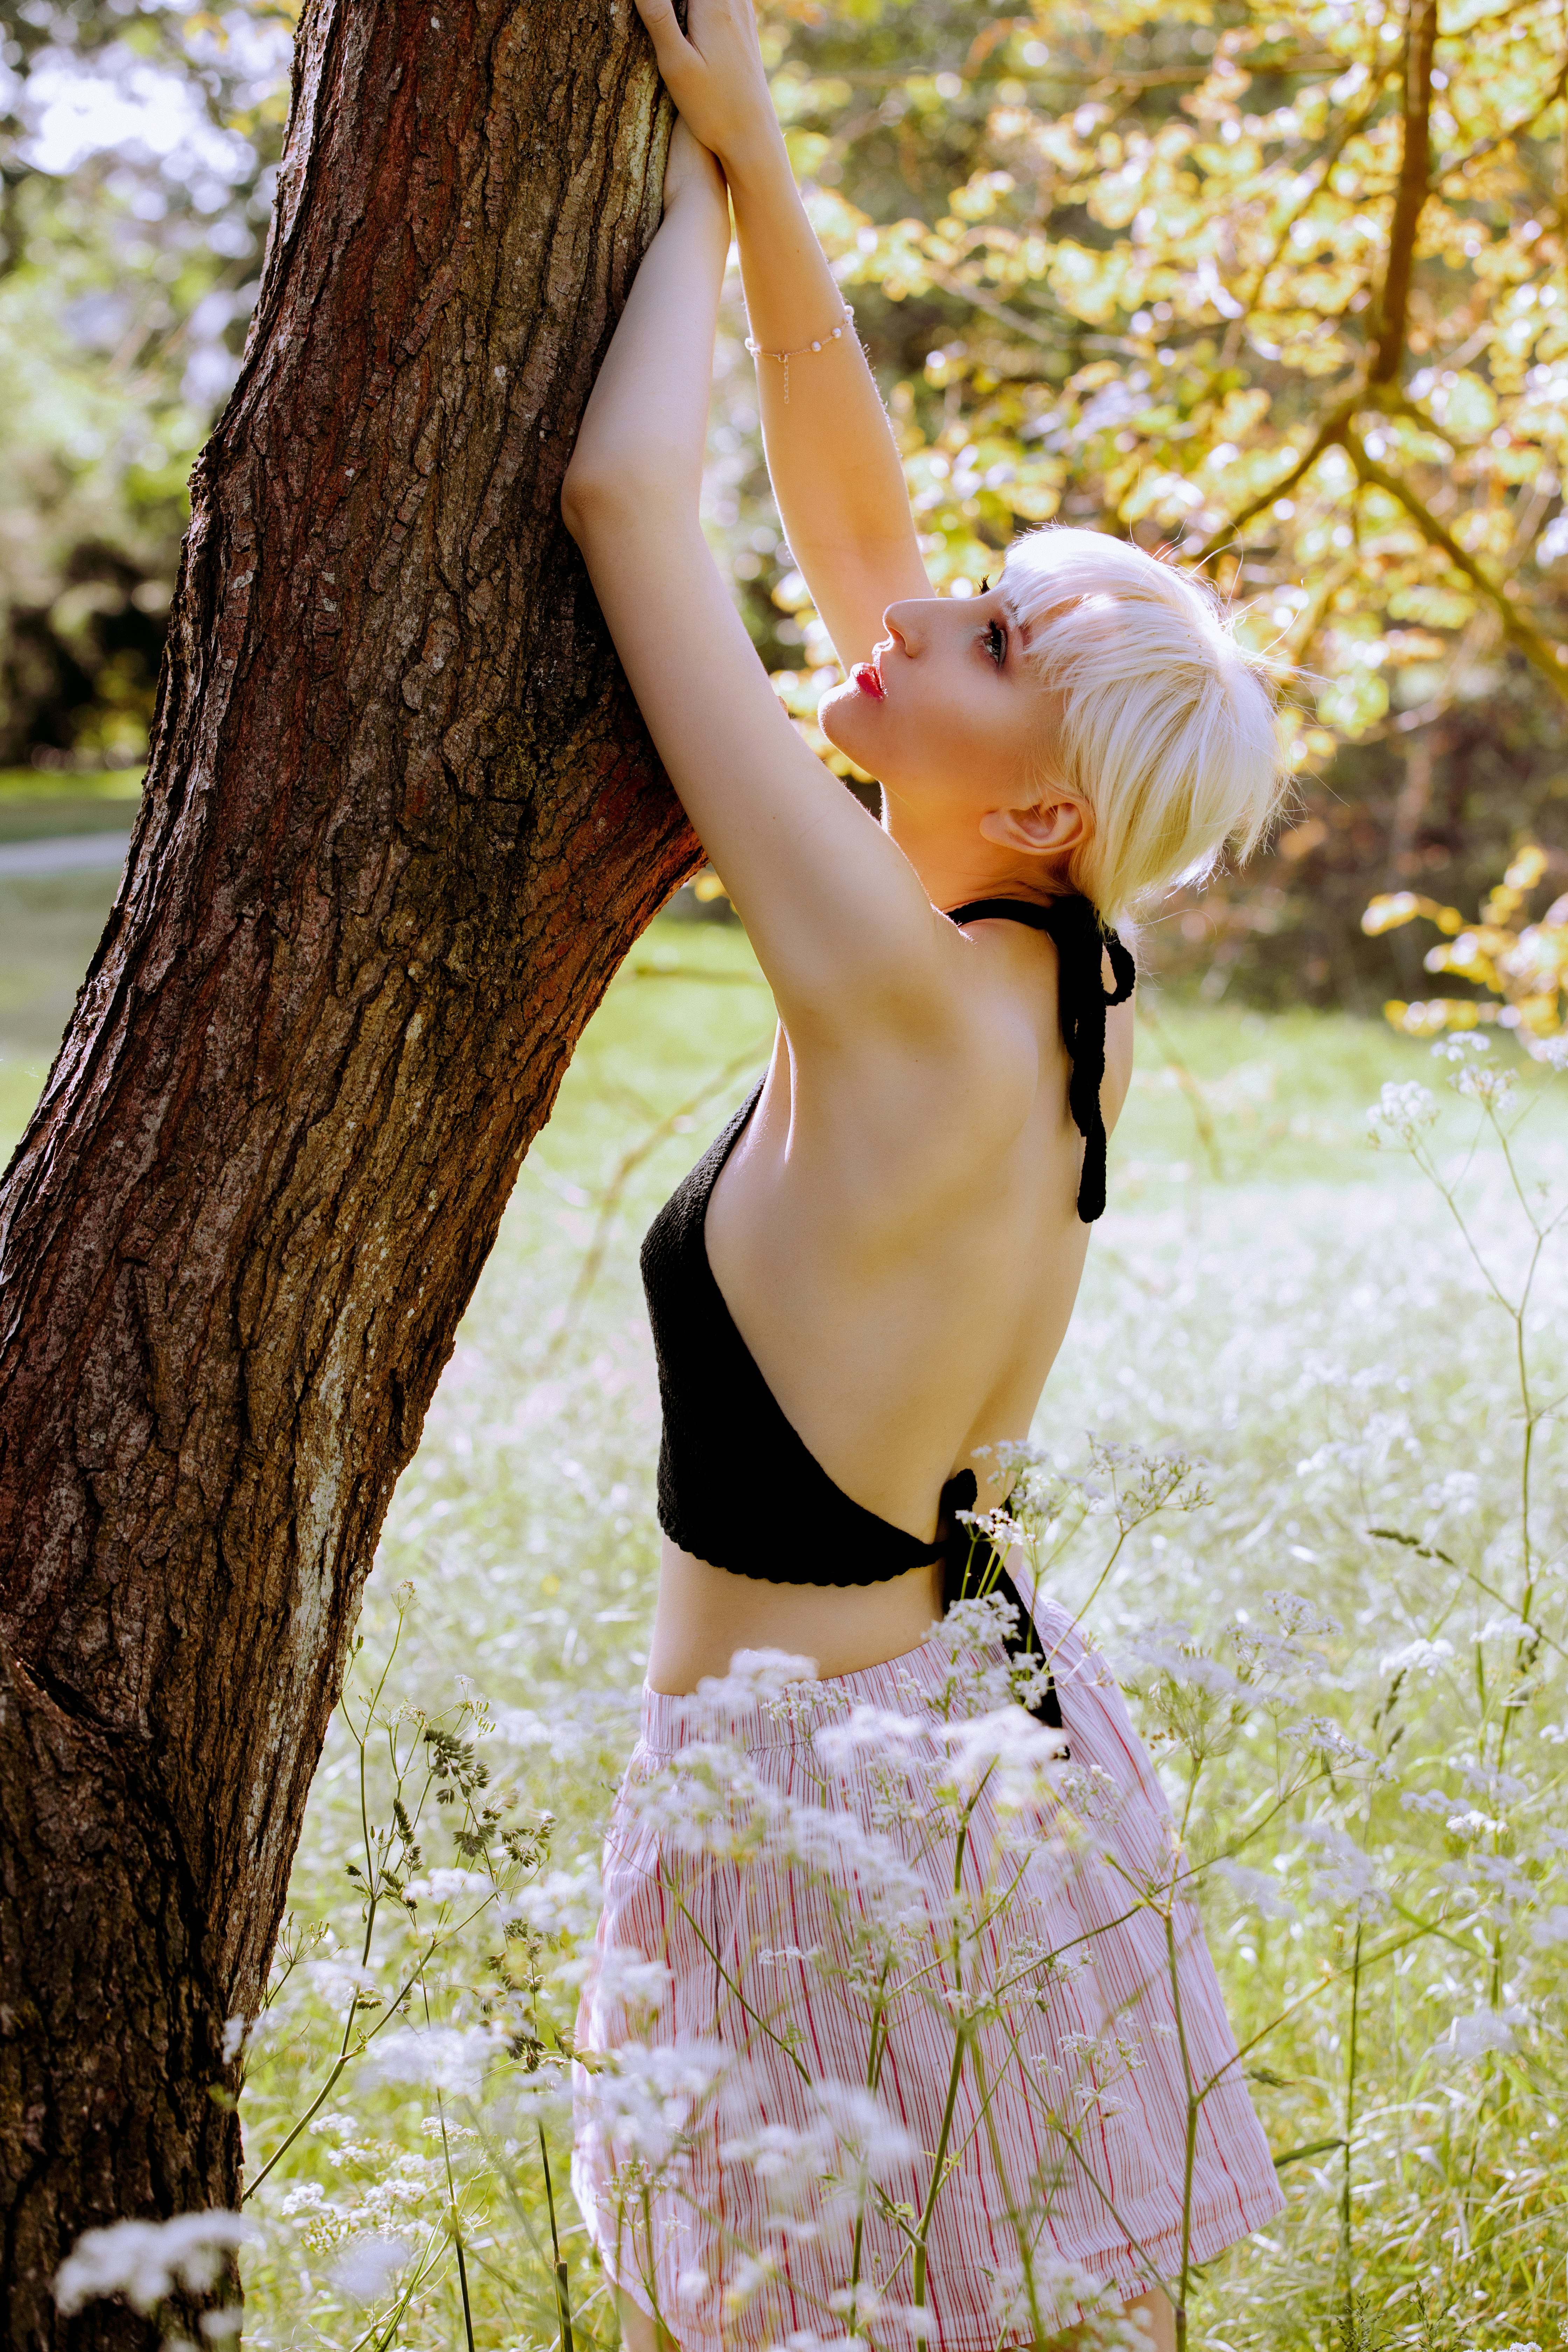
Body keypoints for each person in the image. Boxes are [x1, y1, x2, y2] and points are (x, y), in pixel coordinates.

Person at [560, 6, 1285, 2346]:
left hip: (818, 1838)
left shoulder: (892, 984)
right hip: (948, 1751)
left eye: (984, 638)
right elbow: (850, 526)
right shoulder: (1052, 975)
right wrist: (752, 143)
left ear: (1049, 799)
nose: (911, 614)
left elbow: (620, 507)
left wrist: (667, 185)